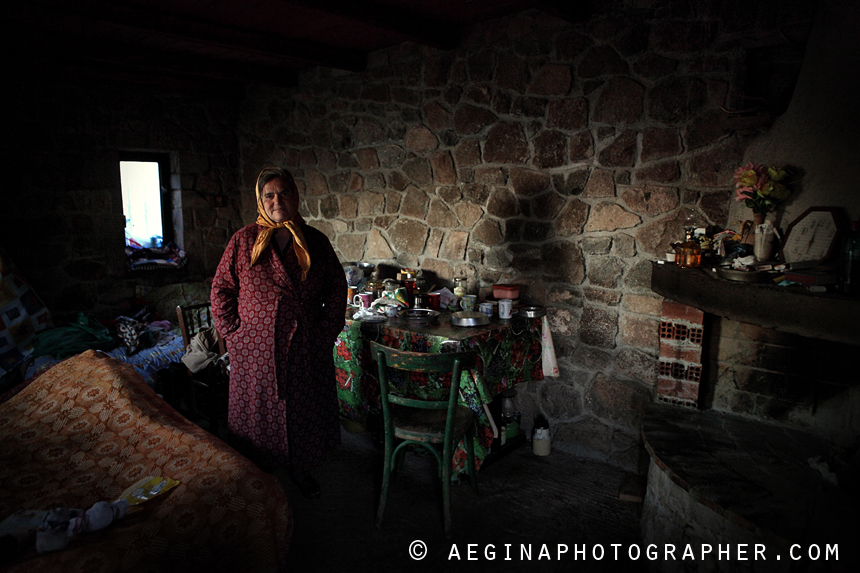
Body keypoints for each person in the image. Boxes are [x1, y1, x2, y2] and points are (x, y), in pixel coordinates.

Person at [211, 167, 346, 498]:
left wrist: (325, 332)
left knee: (303, 409)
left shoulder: (315, 241)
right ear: (260, 200)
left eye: (283, 193)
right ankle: (258, 472)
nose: (277, 201)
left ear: (295, 197)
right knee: (259, 412)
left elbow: (337, 289)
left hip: (305, 343)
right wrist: (233, 333)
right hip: (254, 347)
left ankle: (301, 468)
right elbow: (221, 289)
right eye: (269, 195)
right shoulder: (243, 240)